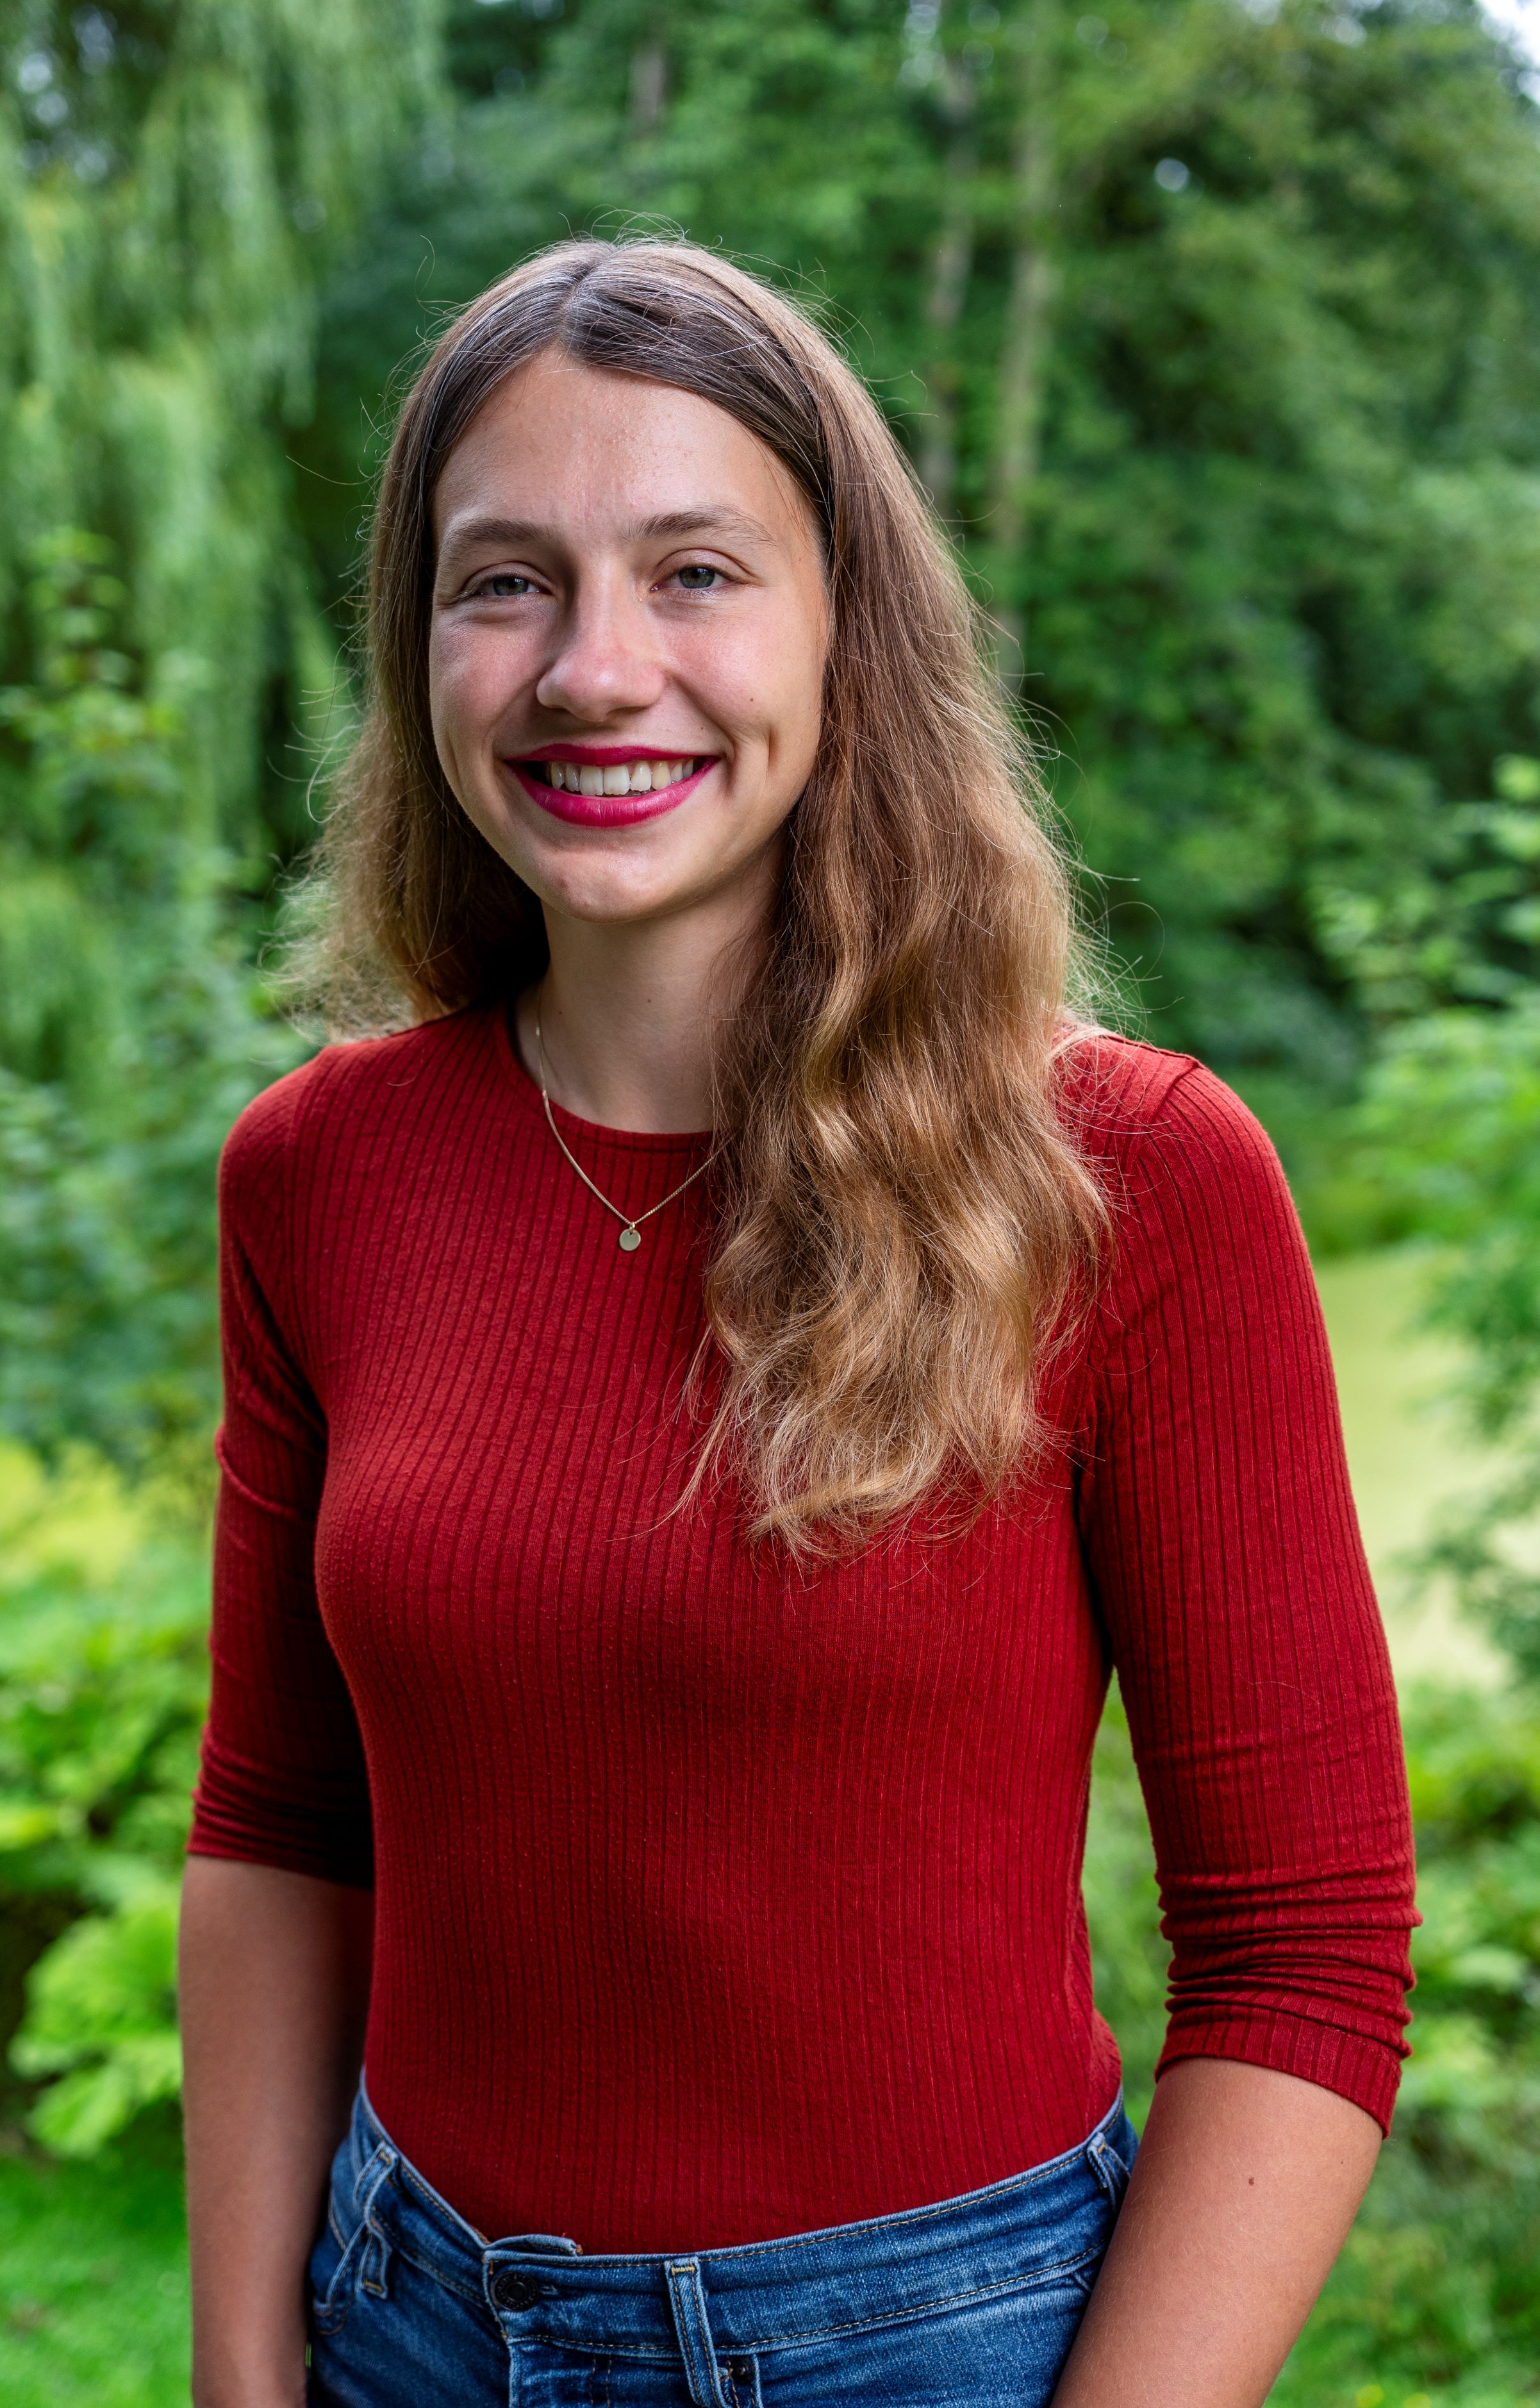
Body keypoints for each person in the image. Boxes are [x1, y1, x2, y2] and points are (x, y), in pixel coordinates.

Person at [179, 238, 1417, 2408]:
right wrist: (240, 2373)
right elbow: (282, 1826)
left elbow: (1300, 1949)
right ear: (416, 647)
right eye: (503, 583)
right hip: (406, 2327)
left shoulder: (1128, 1182)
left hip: (935, 2350)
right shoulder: (319, 1172)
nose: (594, 670)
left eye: (694, 572)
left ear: (850, 629)